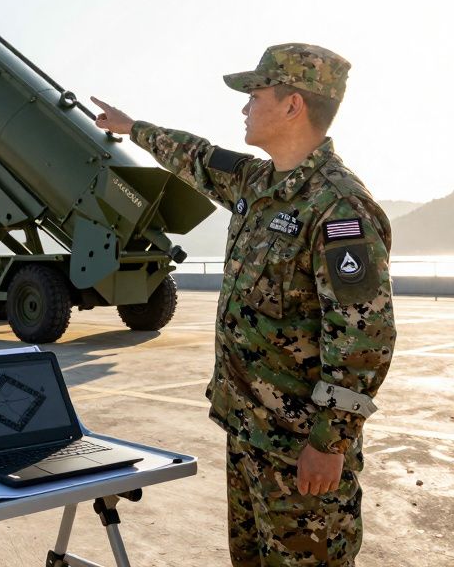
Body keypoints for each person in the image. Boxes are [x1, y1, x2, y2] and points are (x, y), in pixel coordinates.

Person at [90, 43, 395, 567]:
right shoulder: (257, 183)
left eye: (254, 96)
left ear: (292, 105)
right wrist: (131, 127)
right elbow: (197, 155)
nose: (244, 108)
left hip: (300, 450)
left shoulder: (339, 207)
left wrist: (330, 442)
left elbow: (364, 337)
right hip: (248, 432)